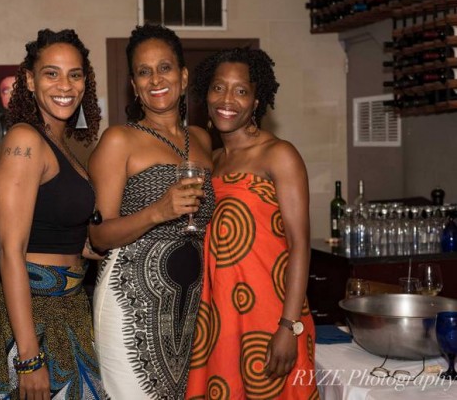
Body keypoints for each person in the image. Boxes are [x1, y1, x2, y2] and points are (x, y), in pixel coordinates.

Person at [0, 28, 106, 400]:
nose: (65, 85)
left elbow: (54, 226)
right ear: (30, 81)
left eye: (75, 74)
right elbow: (10, 252)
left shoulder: (61, 144)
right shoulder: (25, 140)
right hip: (33, 314)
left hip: (71, 306)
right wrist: (29, 357)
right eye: (51, 73)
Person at [88, 24, 215, 399]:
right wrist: (158, 211)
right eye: (144, 72)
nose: (156, 79)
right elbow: (98, 235)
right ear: (134, 84)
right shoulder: (119, 140)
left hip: (190, 305)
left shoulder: (202, 139)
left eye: (165, 68)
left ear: (183, 76)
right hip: (130, 300)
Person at [185, 47, 319, 399]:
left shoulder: (279, 155)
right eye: (218, 87)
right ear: (206, 94)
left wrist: (289, 326)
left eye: (241, 90)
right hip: (220, 318)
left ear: (256, 101)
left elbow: (300, 246)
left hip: (271, 315)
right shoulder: (211, 162)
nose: (227, 99)